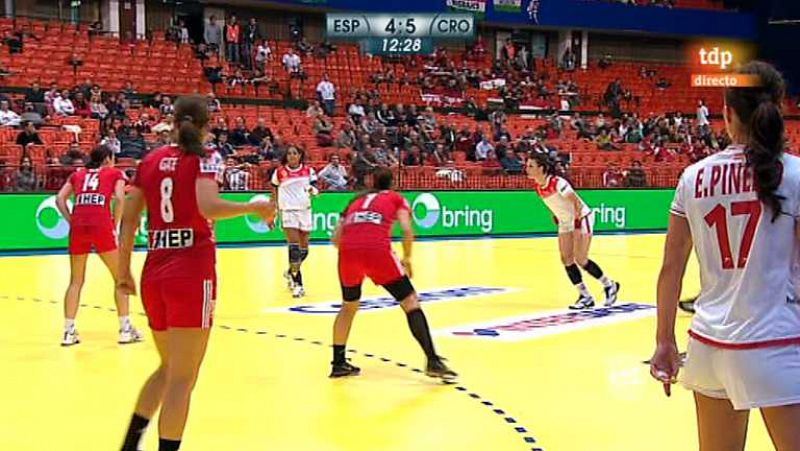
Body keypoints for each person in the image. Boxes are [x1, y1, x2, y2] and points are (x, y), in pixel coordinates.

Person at [650, 61, 800, 451]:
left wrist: (664, 340)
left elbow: (671, 268)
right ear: (778, 110)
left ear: (727, 114)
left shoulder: (693, 177)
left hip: (708, 346)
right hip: (775, 340)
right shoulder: (796, 175)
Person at [117, 96, 275, 451]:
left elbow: (128, 220)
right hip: (191, 272)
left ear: (172, 121)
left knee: (168, 367)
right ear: (206, 126)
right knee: (182, 380)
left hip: (154, 271)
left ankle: (129, 446)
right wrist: (253, 207)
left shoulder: (150, 160)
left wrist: (123, 271)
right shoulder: (203, 159)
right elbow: (208, 207)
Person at [330, 168, 457, 380]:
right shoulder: (396, 198)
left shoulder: (355, 201)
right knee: (410, 302)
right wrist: (407, 258)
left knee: (348, 306)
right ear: (393, 183)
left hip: (348, 253)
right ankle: (433, 360)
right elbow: (407, 230)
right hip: (377, 251)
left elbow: (335, 239)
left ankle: (338, 363)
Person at [54, 145, 143, 346]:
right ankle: (125, 329)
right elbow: (120, 198)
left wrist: (71, 220)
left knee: (75, 281)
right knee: (121, 277)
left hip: (79, 225)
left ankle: (68, 331)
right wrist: (115, 223)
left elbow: (60, 199)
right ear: (106, 160)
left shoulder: (78, 174)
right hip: (101, 224)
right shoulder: (114, 174)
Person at [526, 152, 620, 309]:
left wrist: (577, 225)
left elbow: (576, 203)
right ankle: (585, 295)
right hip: (565, 222)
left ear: (542, 168)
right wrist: (555, 215)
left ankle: (609, 285)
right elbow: (555, 204)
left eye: (531, 166)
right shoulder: (539, 188)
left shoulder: (557, 182)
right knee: (566, 259)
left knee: (581, 259)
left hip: (581, 218)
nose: (526, 169)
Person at [272, 146, 318, 298]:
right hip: (288, 212)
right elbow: (274, 191)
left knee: (305, 251)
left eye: (295, 153)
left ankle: (291, 271)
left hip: (305, 210)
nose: (292, 156)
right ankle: (298, 284)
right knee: (294, 248)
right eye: (289, 153)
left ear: (300, 156)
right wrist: (274, 210)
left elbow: (315, 189)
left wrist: (313, 191)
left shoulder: (308, 171)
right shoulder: (279, 172)